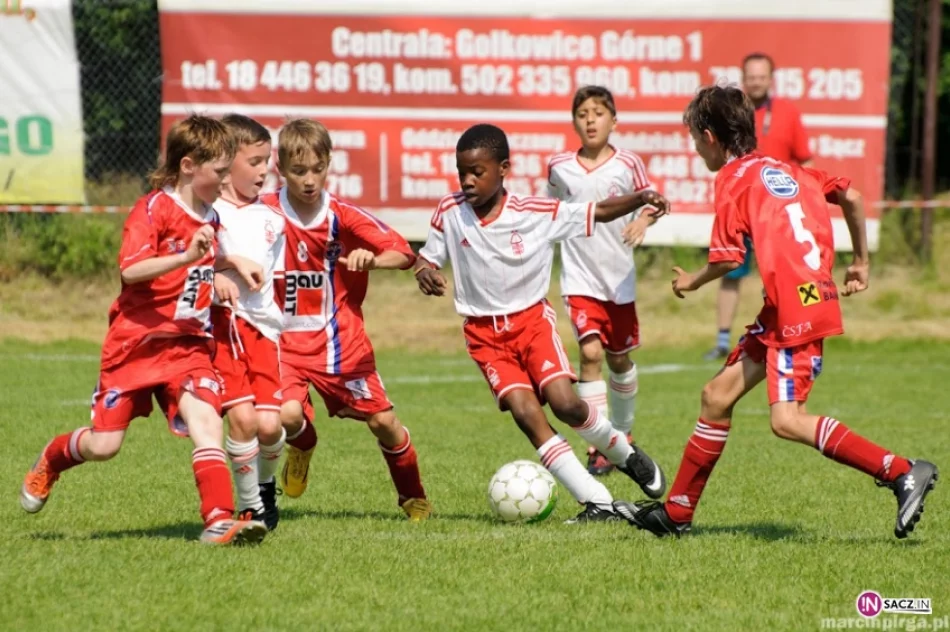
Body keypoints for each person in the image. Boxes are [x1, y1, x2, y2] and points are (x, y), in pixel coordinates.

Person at [613, 85, 938, 539]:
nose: (694, 148)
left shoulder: (731, 179)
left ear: (709, 137)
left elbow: (727, 259)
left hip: (795, 311)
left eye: (693, 139)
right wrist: (860, 262)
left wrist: (691, 280)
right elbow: (854, 198)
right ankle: (677, 513)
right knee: (717, 396)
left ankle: (901, 471)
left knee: (787, 421)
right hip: (794, 303)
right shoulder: (788, 170)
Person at [19, 115, 268, 545]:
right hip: (135, 345)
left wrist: (231, 264)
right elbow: (132, 270)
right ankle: (53, 458)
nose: (227, 180)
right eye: (220, 172)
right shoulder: (152, 209)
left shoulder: (211, 215)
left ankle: (218, 520)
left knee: (207, 422)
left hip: (188, 344)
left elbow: (207, 255)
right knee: (104, 446)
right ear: (189, 166)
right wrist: (186, 256)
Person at [414, 123, 668, 523]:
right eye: (461, 171)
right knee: (527, 415)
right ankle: (597, 501)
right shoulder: (450, 212)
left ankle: (625, 454)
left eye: (477, 172)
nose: (467, 181)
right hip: (484, 335)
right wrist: (423, 269)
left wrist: (641, 197)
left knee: (566, 404)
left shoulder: (534, 213)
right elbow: (427, 256)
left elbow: (597, 211)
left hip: (531, 322)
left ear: (504, 169)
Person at [266, 119, 432, 521]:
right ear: (280, 169)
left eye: (317, 169)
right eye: (298, 171)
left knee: (383, 422)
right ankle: (303, 446)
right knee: (287, 415)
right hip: (282, 343)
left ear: (328, 165)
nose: (309, 180)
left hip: (341, 343)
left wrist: (373, 260)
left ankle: (411, 495)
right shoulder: (263, 213)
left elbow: (404, 253)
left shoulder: (343, 216)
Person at [548, 86, 659, 477]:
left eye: (598, 112)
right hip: (579, 278)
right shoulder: (559, 166)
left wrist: (643, 220)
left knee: (618, 359)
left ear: (614, 120)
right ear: (574, 121)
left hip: (619, 280)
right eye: (582, 113)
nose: (590, 119)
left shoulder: (627, 164)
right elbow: (551, 212)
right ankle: (600, 445)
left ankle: (623, 434)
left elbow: (655, 200)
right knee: (591, 354)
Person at [705, 52, 813, 360]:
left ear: (771, 78)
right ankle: (723, 340)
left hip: (777, 214)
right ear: (743, 77)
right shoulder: (731, 116)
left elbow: (806, 160)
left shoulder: (788, 113)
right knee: (730, 269)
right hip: (742, 208)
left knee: (784, 275)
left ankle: (794, 329)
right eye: (750, 76)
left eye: (761, 76)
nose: (755, 82)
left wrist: (806, 203)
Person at [210, 114, 286, 531]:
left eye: (266, 162)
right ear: (226, 160)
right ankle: (249, 508)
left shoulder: (273, 220)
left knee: (272, 427)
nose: (263, 171)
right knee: (243, 421)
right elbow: (191, 263)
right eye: (254, 162)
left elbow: (277, 278)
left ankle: (266, 484)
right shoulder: (208, 212)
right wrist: (218, 272)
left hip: (264, 331)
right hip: (222, 328)